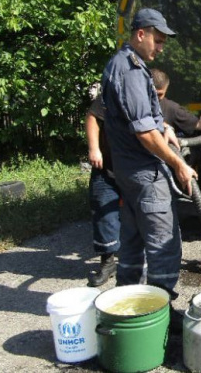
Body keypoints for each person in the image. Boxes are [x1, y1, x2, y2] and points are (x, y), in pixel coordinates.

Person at [101, 8, 196, 328]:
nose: (161, 48)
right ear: (140, 34)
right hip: (145, 172)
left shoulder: (126, 65)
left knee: (132, 240)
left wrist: (164, 126)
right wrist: (179, 163)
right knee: (163, 243)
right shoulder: (129, 70)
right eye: (157, 40)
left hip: (128, 172)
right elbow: (143, 133)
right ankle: (160, 317)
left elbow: (141, 119)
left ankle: (125, 306)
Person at [83, 84, 120, 287]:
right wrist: (94, 148)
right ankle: (107, 263)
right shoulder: (110, 97)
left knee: (142, 217)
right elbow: (92, 117)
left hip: (135, 170)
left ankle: (139, 264)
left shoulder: (149, 98)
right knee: (104, 214)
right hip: (106, 167)